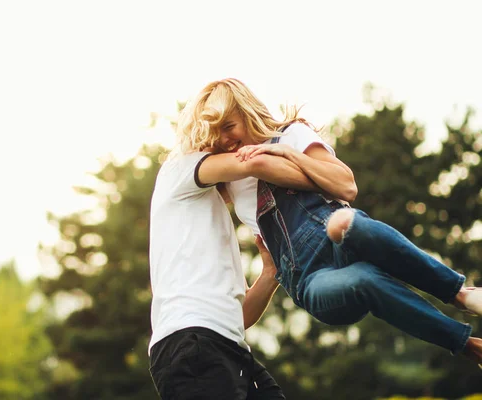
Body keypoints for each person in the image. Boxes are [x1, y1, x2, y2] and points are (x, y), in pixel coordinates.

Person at [175, 77, 482, 367]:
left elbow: (347, 186)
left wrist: (285, 153)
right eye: (217, 133)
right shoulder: (229, 174)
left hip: (340, 238)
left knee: (347, 224)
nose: (225, 139)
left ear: (246, 112)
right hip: (308, 278)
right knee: (363, 279)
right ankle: (465, 343)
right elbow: (189, 175)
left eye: (229, 126)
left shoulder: (291, 135)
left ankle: (458, 293)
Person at [148, 128, 299, 397]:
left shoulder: (208, 212)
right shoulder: (182, 166)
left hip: (229, 346)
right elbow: (253, 163)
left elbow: (238, 318)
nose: (235, 145)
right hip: (193, 343)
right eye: (226, 133)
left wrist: (269, 273)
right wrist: (315, 169)